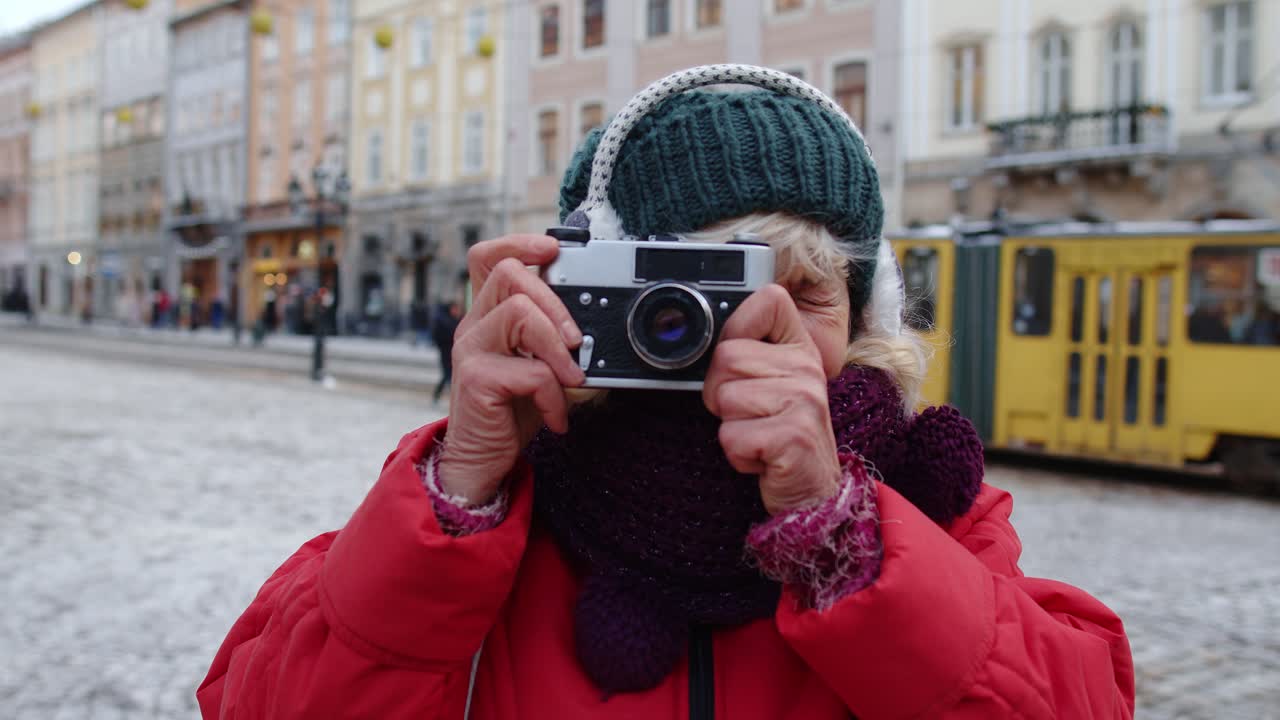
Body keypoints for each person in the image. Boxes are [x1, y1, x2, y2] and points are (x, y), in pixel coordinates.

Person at [199, 67, 1132, 719]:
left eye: (805, 293)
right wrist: (460, 493)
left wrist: (839, 530)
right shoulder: (503, 503)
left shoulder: (929, 514)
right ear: (589, 294)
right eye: (692, 296)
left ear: (861, 320)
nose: (752, 328)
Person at [431, 300, 461, 404]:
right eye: (454, 309)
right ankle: (448, 397)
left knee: (451, 376)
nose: (456, 311)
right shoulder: (443, 321)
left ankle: (441, 396)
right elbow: (438, 336)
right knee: (447, 375)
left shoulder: (457, 319)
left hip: (456, 352)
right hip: (446, 352)